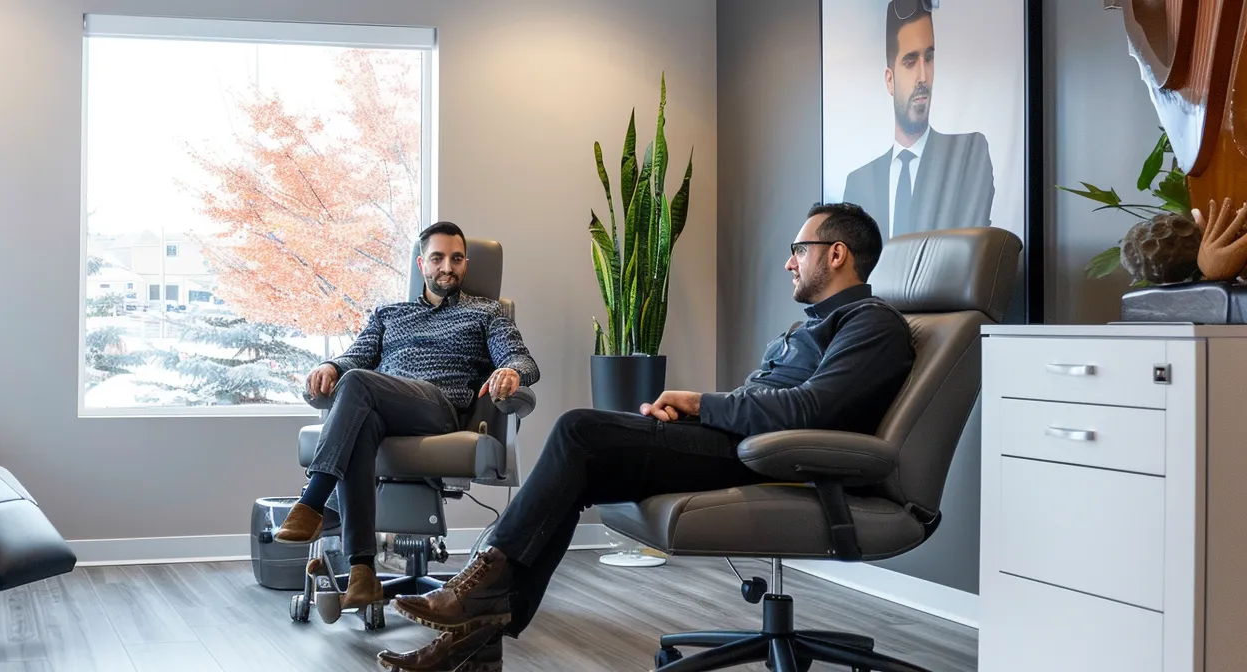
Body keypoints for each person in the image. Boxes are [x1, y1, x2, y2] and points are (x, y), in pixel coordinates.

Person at [375, 203, 916, 672]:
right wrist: (694, 411)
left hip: (779, 459)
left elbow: (813, 409)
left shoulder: (873, 325)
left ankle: (477, 594)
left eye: (800, 249)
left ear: (838, 254)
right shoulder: (812, 326)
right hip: (739, 441)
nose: (788, 261)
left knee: (578, 429)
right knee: (578, 469)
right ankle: (474, 642)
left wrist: (701, 403)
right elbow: (775, 401)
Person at [272, 221, 540, 614]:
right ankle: (362, 571)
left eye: (456, 258)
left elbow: (522, 360)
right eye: (437, 258)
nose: (447, 266)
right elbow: (355, 358)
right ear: (421, 264)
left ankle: (313, 502)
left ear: (465, 264)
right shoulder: (388, 314)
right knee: (360, 415)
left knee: (360, 384)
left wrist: (511, 372)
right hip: (379, 407)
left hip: (437, 408)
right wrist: (331, 366)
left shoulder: (487, 313)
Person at [840, 0, 994, 237]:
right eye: (910, 62)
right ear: (889, 80)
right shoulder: (857, 183)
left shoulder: (968, 155)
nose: (923, 76)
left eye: (929, 58)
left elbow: (968, 253)